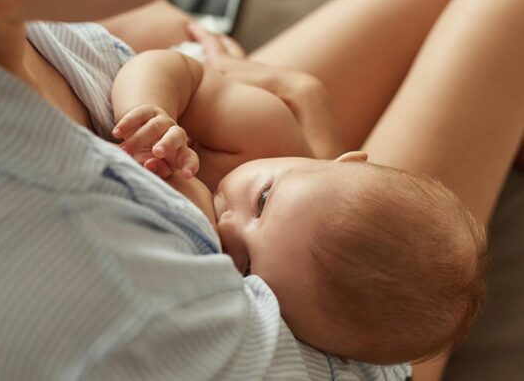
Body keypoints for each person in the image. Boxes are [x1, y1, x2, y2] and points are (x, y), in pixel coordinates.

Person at [0, 0, 521, 378]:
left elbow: (172, 71)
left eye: (264, 201)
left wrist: (154, 65)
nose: (225, 226)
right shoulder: (134, 293)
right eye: (239, 263)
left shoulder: (254, 148)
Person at [110, 46, 487, 365]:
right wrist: (150, 111)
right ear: (342, 159)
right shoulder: (264, 130)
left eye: (247, 267)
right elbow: (173, 67)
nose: (226, 226)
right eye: (262, 199)